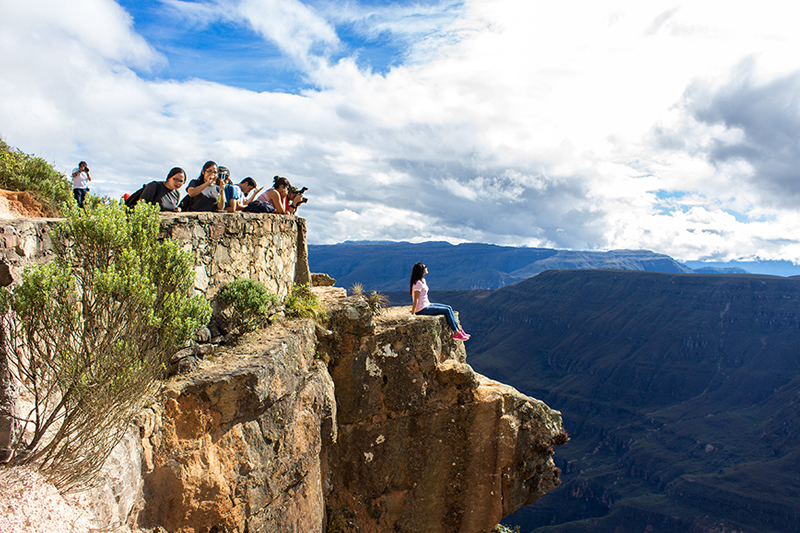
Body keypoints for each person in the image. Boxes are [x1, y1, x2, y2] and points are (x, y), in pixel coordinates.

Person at [410, 262, 470, 341]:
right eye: (425, 267)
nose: (426, 268)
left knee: (449, 307)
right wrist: (413, 311)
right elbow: (416, 298)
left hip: (427, 304)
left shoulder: (423, 280)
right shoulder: (418, 283)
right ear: (421, 270)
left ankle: (459, 329)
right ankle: (455, 333)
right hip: (421, 309)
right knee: (446, 310)